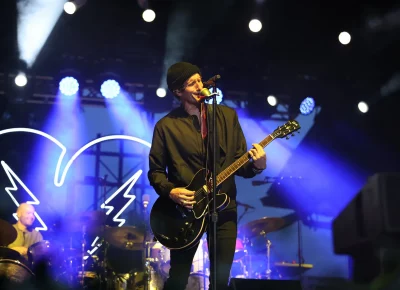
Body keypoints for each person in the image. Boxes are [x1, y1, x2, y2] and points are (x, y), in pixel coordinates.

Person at [148, 62, 267, 290]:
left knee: (220, 282)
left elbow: (240, 164)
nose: (199, 85)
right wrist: (171, 191)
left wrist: (257, 165)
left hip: (224, 208)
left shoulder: (227, 116)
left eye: (199, 80)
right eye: (191, 83)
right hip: (185, 211)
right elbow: (155, 170)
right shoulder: (166, 126)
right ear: (178, 92)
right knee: (178, 278)